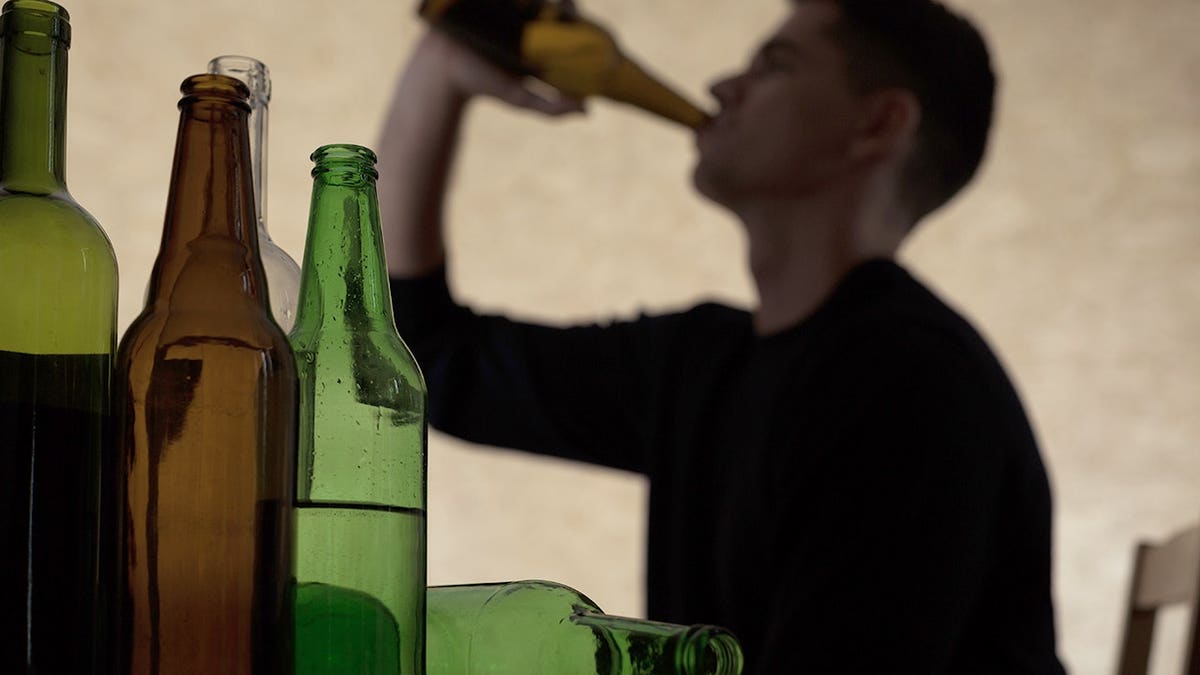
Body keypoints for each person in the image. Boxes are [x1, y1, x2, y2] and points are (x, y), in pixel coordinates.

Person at [378, 0, 1066, 671]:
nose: (719, 86)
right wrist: (442, 69)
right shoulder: (702, 362)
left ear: (877, 125)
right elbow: (427, 358)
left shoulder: (909, 386)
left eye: (775, 65)